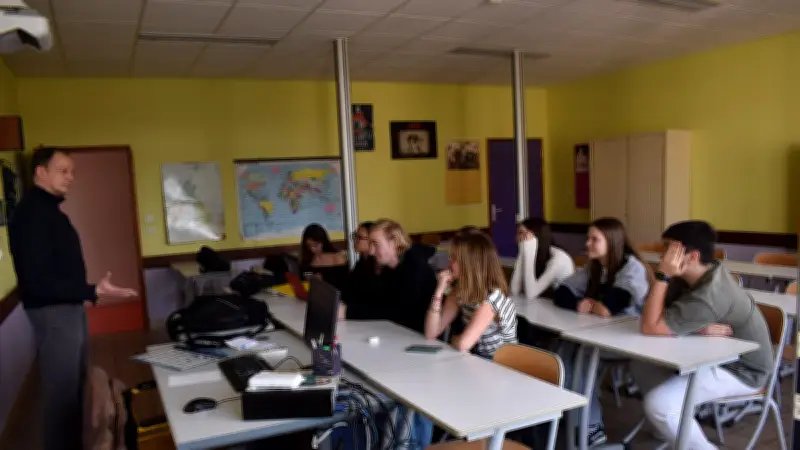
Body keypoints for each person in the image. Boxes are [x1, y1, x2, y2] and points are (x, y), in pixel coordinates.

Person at [8, 147, 138, 450]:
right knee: (62, 396)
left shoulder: (48, 211)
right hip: (53, 313)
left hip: (67, 308)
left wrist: (88, 292)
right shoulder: (31, 215)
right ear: (40, 171)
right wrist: (92, 291)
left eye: (73, 172)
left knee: (77, 390)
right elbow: (38, 280)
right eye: (63, 170)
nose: (71, 178)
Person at [635, 220, 773, 449]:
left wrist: (662, 277)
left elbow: (650, 326)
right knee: (640, 367)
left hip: (742, 370)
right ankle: (671, 429)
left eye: (669, 250)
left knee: (659, 405)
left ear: (692, 256)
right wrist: (696, 327)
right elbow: (652, 313)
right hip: (712, 355)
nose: (663, 257)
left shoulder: (710, 294)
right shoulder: (692, 276)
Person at [552, 217, 652, 446]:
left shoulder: (632, 268)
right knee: (562, 350)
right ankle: (578, 420)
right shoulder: (594, 267)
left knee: (582, 357)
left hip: (629, 339)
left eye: (594, 239)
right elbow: (562, 291)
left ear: (612, 242)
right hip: (601, 334)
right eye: (588, 238)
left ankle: (591, 426)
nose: (587, 244)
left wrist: (595, 303)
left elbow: (609, 308)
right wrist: (579, 304)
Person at [424, 232, 517, 359]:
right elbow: (431, 333)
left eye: (454, 258)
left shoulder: (492, 297)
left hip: (503, 364)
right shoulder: (460, 291)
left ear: (469, 264)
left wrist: (454, 339)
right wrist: (439, 291)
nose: (449, 262)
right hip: (479, 359)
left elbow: (463, 344)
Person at [340, 218, 437, 334]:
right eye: (370, 244)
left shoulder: (416, 267)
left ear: (394, 242)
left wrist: (348, 312)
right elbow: (376, 300)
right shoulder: (388, 267)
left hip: (416, 336)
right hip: (394, 331)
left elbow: (398, 312)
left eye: (375, 244)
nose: (371, 251)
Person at [510, 218, 574, 299]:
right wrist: (522, 253)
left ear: (536, 236)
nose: (517, 238)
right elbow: (514, 290)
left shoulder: (559, 260)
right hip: (544, 305)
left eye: (521, 233)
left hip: (563, 307)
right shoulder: (534, 254)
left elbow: (531, 294)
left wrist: (527, 249)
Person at [299, 223, 348, 293]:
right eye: (309, 245)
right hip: (314, 296)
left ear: (323, 242)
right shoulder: (307, 260)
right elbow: (303, 283)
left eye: (315, 245)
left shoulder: (337, 258)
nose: (312, 249)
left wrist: (323, 280)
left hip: (334, 298)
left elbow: (344, 285)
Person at [346, 221, 380, 312]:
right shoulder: (361, 262)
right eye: (355, 236)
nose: (355, 240)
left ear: (372, 240)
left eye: (359, 237)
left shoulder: (377, 266)